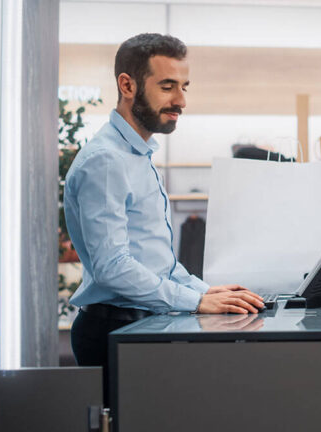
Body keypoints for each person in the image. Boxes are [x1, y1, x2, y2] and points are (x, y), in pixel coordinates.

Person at [64, 34, 264, 376]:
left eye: (185, 86)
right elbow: (112, 267)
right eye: (168, 86)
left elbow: (158, 261)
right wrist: (196, 302)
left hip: (141, 321)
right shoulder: (107, 161)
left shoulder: (137, 155)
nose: (181, 100)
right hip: (116, 327)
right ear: (127, 85)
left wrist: (204, 290)